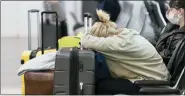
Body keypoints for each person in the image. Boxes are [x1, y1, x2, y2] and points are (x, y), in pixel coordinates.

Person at [81, 9, 171, 95]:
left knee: (101, 86)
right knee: (105, 80)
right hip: (155, 78)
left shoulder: (117, 43)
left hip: (153, 84)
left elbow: (85, 40)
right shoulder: (126, 34)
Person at [156, 0, 185, 64]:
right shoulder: (173, 26)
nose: (168, 12)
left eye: (171, 10)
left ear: (180, 11)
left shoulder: (178, 38)